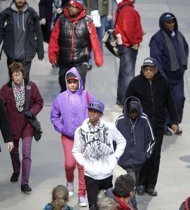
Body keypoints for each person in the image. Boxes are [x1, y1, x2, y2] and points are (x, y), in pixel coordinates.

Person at [126, 57, 179, 197]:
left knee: (155, 156)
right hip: (141, 126)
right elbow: (128, 102)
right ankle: (141, 184)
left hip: (158, 126)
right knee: (144, 156)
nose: (148, 72)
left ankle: (151, 185)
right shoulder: (135, 83)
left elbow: (170, 102)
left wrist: (174, 121)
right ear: (142, 69)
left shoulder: (163, 82)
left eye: (151, 70)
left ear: (156, 70)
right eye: (146, 69)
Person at [50, 67, 95, 207]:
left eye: (75, 81)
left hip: (84, 137)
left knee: (82, 166)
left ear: (79, 81)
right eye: (69, 82)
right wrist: (62, 128)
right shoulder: (61, 98)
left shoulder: (87, 95)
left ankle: (82, 194)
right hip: (68, 137)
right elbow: (54, 115)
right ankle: (70, 182)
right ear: (66, 83)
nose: (72, 85)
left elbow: (97, 110)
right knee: (69, 164)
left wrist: (92, 126)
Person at [72, 99, 126, 209]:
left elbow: (122, 141)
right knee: (93, 206)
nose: (91, 113)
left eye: (95, 111)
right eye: (90, 110)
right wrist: (84, 163)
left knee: (109, 205)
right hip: (90, 176)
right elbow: (76, 150)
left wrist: (115, 157)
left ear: (101, 114)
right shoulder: (80, 131)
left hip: (107, 174)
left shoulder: (109, 127)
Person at [0, 62, 43, 194]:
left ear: (23, 74)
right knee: (13, 152)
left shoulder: (31, 86)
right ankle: (16, 170)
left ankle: (25, 183)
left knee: (26, 153)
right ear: (11, 76)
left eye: (19, 74)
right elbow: (0, 107)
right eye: (15, 75)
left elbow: (39, 102)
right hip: (12, 125)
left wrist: (32, 112)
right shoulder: (5, 89)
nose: (18, 77)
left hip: (27, 126)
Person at [48, 0, 103, 92]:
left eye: (75, 7)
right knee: (64, 87)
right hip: (64, 61)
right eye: (70, 6)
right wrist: (52, 55)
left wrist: (98, 59)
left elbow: (95, 41)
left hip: (81, 61)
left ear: (80, 8)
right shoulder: (61, 20)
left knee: (78, 88)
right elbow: (54, 39)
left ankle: (79, 106)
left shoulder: (88, 22)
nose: (71, 9)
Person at [149, 12, 189, 136]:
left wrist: (182, 67)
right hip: (165, 76)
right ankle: (165, 124)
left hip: (178, 76)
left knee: (179, 99)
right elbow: (156, 58)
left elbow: (186, 48)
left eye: (173, 22)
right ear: (163, 24)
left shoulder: (178, 35)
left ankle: (175, 123)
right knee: (165, 102)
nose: (171, 24)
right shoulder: (158, 38)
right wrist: (161, 75)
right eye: (168, 22)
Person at [116, 96, 155, 210]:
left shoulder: (144, 119)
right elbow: (112, 139)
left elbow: (151, 140)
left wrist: (145, 155)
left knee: (133, 182)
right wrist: (117, 156)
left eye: (135, 113)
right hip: (126, 160)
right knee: (131, 185)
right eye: (131, 113)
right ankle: (133, 206)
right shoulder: (120, 120)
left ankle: (129, 204)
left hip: (139, 159)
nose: (133, 115)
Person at [0, 0, 44, 81]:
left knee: (24, 80)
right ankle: (14, 95)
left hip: (26, 55)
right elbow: (0, 33)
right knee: (13, 81)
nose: (20, 0)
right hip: (11, 55)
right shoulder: (6, 14)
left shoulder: (32, 14)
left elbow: (39, 33)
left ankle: (24, 96)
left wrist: (40, 51)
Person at [114, 0, 144, 106]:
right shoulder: (129, 10)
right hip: (128, 46)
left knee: (123, 74)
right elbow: (128, 29)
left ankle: (121, 98)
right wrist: (134, 43)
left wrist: (140, 32)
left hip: (124, 44)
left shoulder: (122, 7)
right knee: (128, 74)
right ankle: (126, 100)